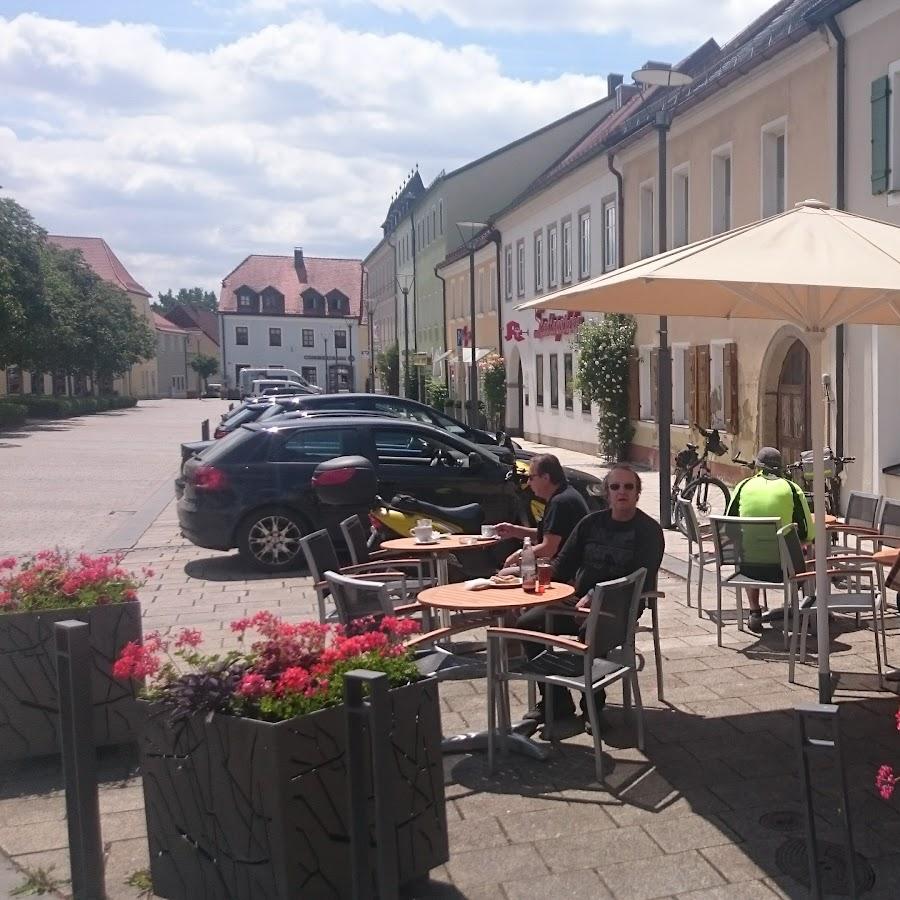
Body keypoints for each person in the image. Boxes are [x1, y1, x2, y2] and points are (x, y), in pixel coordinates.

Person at [516, 464, 665, 735]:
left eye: (628, 487)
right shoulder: (590, 524)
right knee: (527, 624)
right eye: (615, 487)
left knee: (591, 631)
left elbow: (640, 578)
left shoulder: (649, 531)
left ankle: (593, 707)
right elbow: (562, 565)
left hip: (621, 606)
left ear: (637, 493)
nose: (621, 492)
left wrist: (597, 594)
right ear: (607, 493)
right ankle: (556, 701)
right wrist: (532, 579)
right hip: (577, 602)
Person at [725, 446, 813, 633]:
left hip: (748, 570)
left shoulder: (743, 486)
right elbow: (808, 533)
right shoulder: (792, 489)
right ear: (780, 468)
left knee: (750, 549)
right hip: (783, 570)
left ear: (758, 467)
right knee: (808, 553)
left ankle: (754, 612)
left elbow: (729, 527)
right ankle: (801, 609)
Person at [494, 453, 588, 565]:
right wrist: (514, 530)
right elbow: (549, 534)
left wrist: (518, 555)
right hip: (564, 564)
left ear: (546, 478)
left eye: (531, 478)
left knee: (506, 572)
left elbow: (548, 549)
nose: (528, 483)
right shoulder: (563, 495)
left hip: (566, 569)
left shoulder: (560, 502)